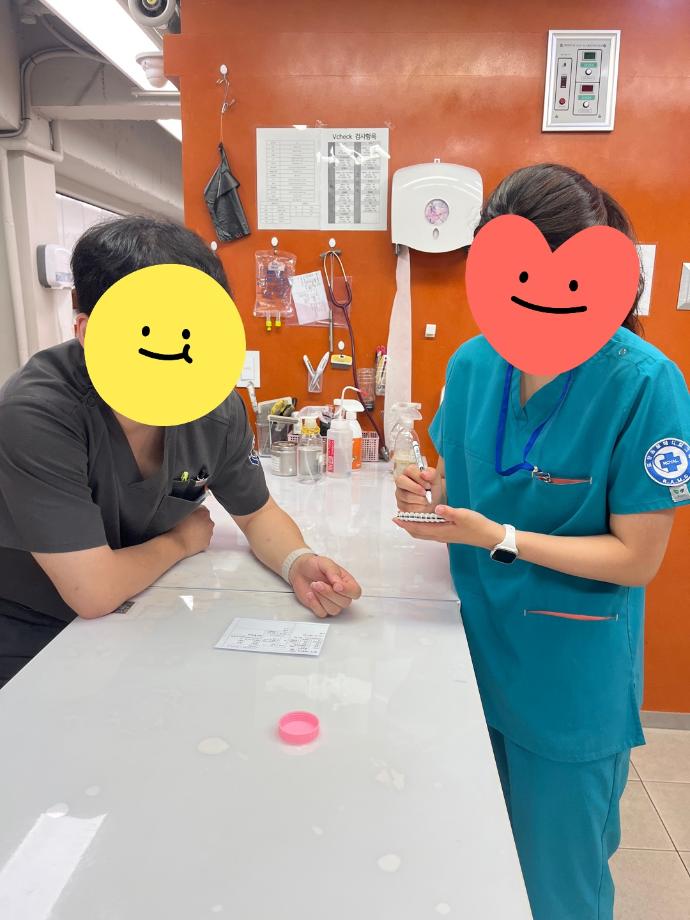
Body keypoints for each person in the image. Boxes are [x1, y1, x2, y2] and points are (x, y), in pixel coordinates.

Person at [395, 164, 690, 920]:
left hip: (567, 676)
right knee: (470, 865)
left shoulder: (645, 384)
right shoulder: (473, 363)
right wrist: (427, 490)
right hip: (466, 655)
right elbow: (460, 481)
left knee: (557, 889)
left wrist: (502, 537)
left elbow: (638, 557)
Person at [0, 217, 361, 689]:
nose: (174, 347)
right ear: (89, 331)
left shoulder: (214, 407)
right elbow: (92, 591)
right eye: (151, 328)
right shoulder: (39, 413)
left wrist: (297, 562)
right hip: (32, 625)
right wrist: (180, 541)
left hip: (142, 608)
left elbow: (256, 513)